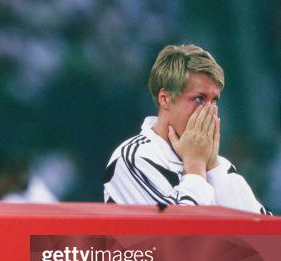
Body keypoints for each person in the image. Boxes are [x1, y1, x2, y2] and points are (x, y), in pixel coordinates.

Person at [103, 44, 272, 215]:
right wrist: (196, 167)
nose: (210, 111)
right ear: (165, 99)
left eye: (214, 101)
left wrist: (212, 166)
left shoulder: (221, 165)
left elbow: (263, 234)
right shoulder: (134, 158)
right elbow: (173, 238)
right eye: (199, 99)